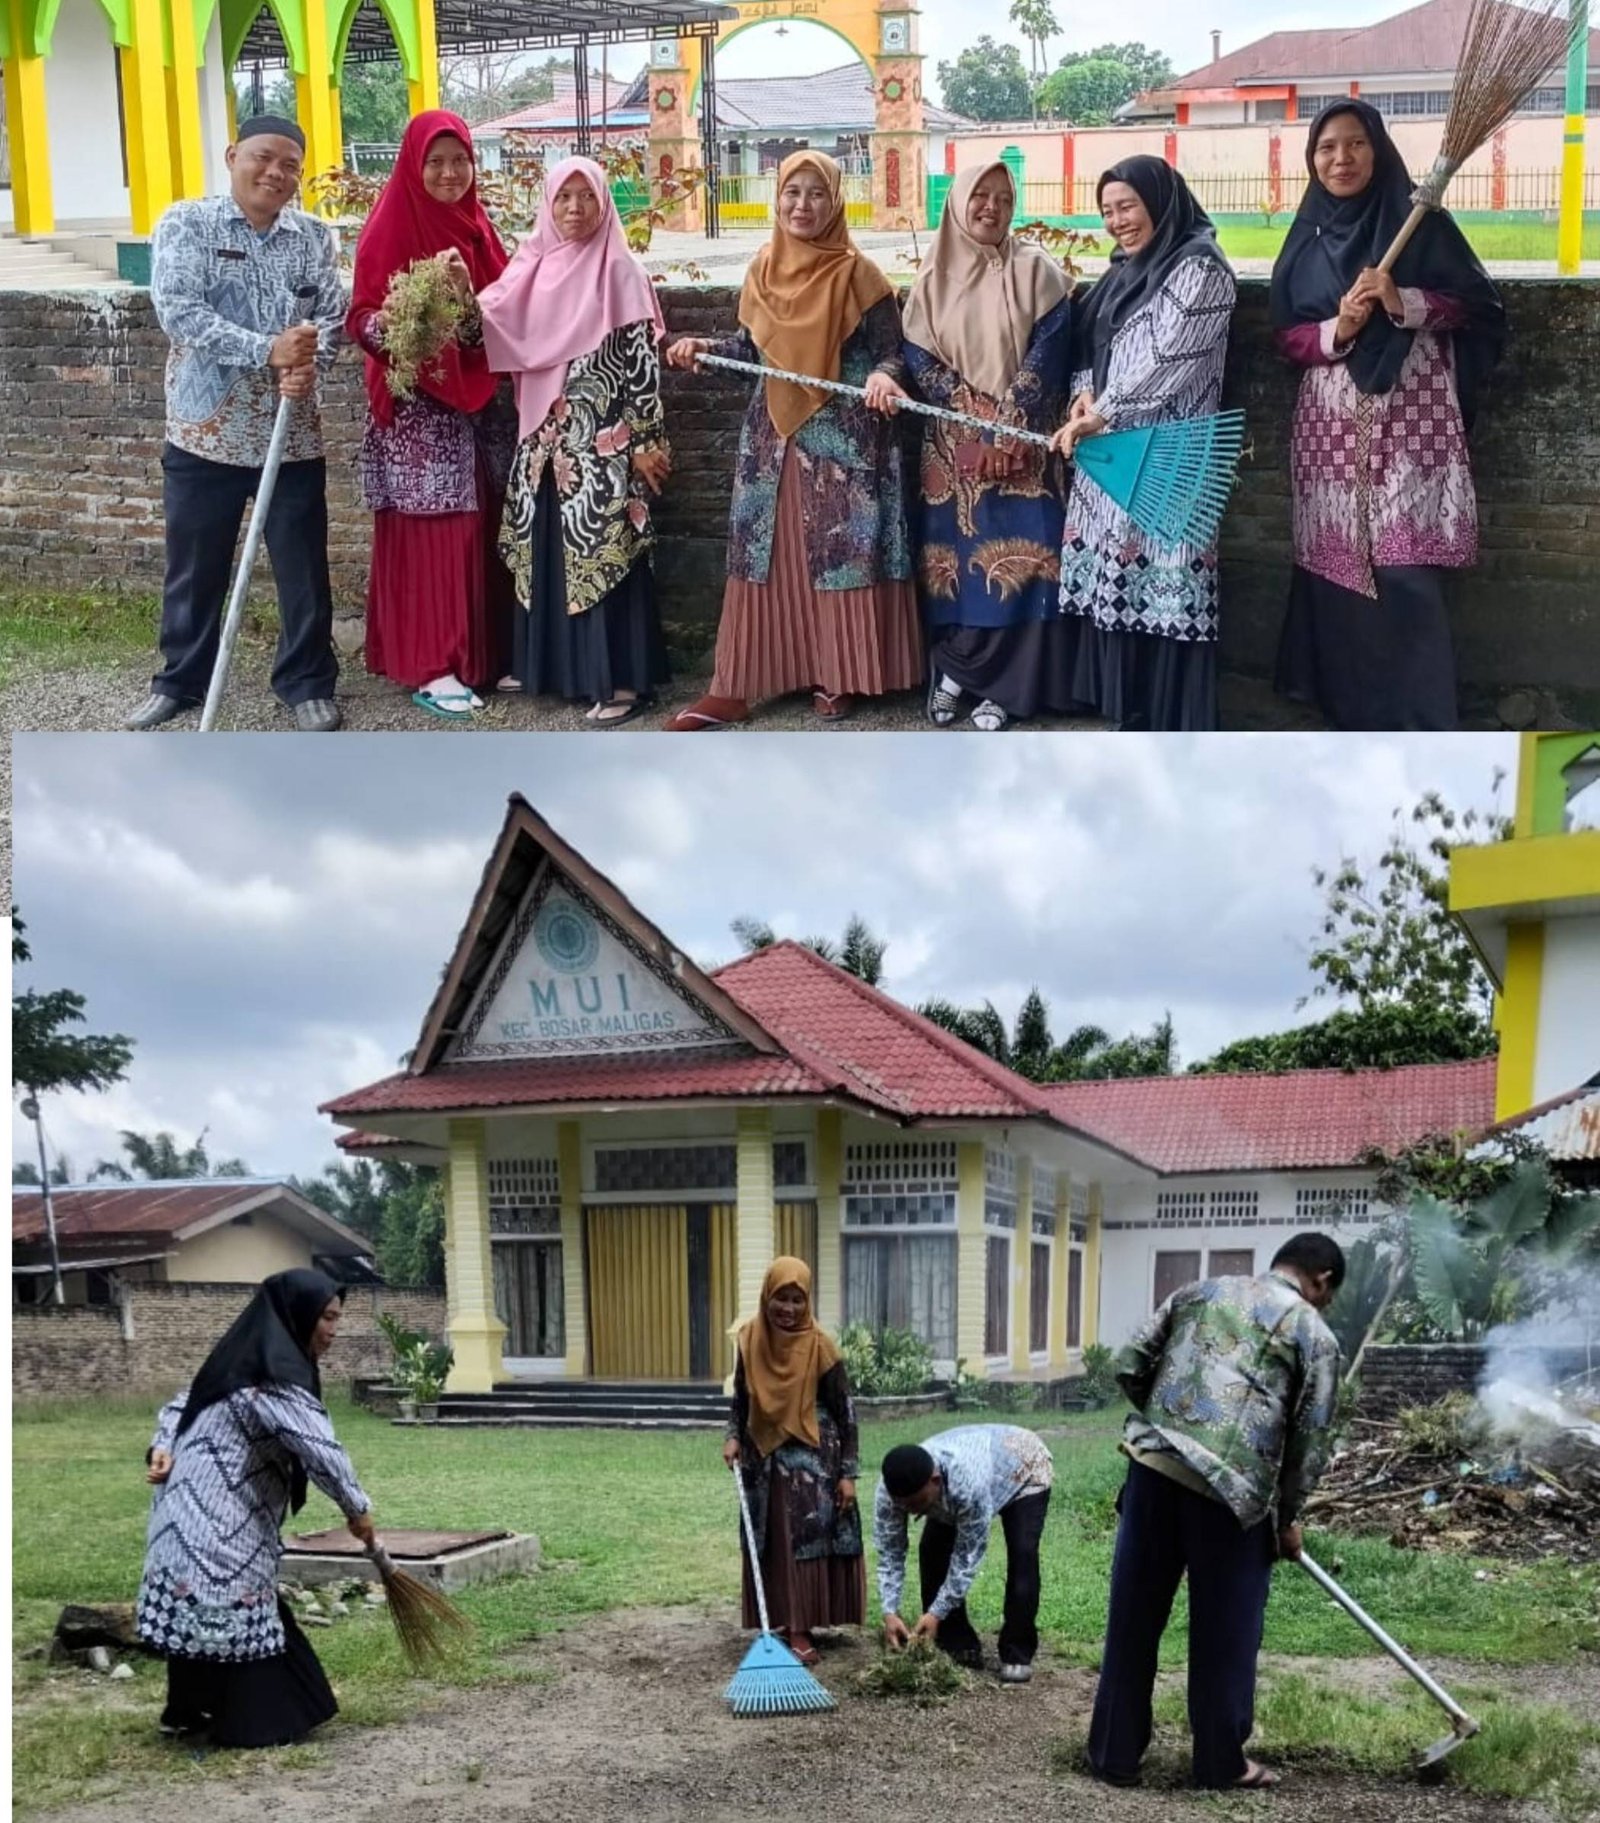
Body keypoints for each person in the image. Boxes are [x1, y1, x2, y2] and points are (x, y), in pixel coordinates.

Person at [662, 151, 921, 729]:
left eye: (817, 194)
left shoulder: (861, 275)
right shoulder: (762, 269)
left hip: (844, 446)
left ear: (836, 201)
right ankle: (734, 685)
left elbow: (891, 353)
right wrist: (703, 351)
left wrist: (885, 376)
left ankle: (839, 674)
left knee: (838, 558)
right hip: (772, 444)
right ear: (777, 199)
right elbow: (748, 353)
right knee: (765, 558)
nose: (803, 206)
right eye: (792, 193)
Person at [1270, 101, 1506, 731]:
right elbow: (1286, 336)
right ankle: (1347, 709)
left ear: (1378, 150)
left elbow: (1479, 309)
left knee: (1403, 565)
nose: (1340, 159)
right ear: (1311, 159)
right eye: (1326, 148)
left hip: (1411, 418)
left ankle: (1420, 717)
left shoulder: (1421, 225)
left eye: (1355, 145)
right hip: (1329, 425)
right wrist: (1336, 327)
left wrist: (1406, 302)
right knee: (1338, 560)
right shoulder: (1307, 238)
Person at [1087, 1233, 1344, 1792]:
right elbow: (1311, 1438)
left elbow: (1130, 1364)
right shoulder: (1313, 1333)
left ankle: (1113, 1753)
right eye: (1329, 1295)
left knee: (1133, 1618)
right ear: (1321, 1280)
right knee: (1225, 1634)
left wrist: (1172, 1424)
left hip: (1153, 1469)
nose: (1325, 1303)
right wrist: (1287, 1517)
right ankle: (1219, 1762)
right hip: (1231, 1496)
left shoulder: (1199, 1290)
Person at [127, 117, 346, 733]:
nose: (276, 173)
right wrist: (269, 350)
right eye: (263, 158)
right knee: (195, 565)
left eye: (290, 166)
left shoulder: (312, 236)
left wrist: (311, 359)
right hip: (204, 433)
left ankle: (306, 682)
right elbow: (179, 310)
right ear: (232, 157)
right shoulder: (185, 223)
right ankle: (180, 681)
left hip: (291, 432)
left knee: (303, 565)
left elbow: (331, 316)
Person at [440, 156, 671, 726]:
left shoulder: (619, 271)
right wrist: (461, 290)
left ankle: (619, 681)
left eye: (585, 197)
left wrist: (647, 440)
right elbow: (482, 331)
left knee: (603, 555)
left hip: (601, 446)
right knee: (542, 550)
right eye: (562, 198)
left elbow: (642, 368)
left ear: (603, 202)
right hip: (541, 443)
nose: (573, 209)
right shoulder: (532, 266)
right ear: (548, 203)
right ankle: (547, 668)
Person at [873, 162, 1074, 732]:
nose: (991, 206)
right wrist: (975, 419)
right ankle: (955, 669)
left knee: (1029, 559)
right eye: (980, 196)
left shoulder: (1039, 271)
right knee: (959, 570)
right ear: (958, 203)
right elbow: (919, 359)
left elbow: (1050, 350)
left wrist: (1007, 427)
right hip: (954, 456)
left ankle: (1005, 690)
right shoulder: (931, 282)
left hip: (1026, 449)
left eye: (1003, 197)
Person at [137, 1269, 375, 1747]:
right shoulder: (272, 1379)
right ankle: (250, 1725)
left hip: (184, 1520)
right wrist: (358, 1510)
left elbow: (179, 1406)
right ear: (299, 1315)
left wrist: (164, 1443)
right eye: (326, 1317)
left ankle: (188, 1711)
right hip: (219, 1521)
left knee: (208, 1605)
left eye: (337, 1319)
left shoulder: (243, 1362)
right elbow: (319, 1449)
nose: (333, 1330)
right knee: (235, 1611)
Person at [1051, 157, 1237, 732]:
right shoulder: (1122, 273)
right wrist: (1084, 399)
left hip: (1168, 450)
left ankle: (1165, 712)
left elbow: (1170, 360)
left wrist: (1100, 413)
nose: (1117, 221)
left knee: (1164, 572)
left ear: (1161, 198)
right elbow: (1090, 343)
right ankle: (1119, 703)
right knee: (1115, 570)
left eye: (1127, 205)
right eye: (1107, 211)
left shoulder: (1201, 270)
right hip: (1109, 451)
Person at [346, 109, 517, 722]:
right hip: (420, 410)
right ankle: (434, 663)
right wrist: (395, 324)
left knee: (484, 526)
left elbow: (504, 310)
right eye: (435, 162)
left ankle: (484, 656)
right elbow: (361, 317)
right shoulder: (391, 224)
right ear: (413, 166)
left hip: (481, 407)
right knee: (436, 532)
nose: (449, 174)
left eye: (460, 161)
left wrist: (469, 296)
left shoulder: (478, 229)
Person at [722, 1258, 864, 1664]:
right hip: (763, 1463)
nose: (788, 1309)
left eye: (797, 1299)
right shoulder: (750, 1340)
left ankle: (801, 1628)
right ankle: (780, 1623)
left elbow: (847, 1415)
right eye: (780, 1299)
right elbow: (741, 1401)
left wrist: (848, 1475)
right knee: (772, 1542)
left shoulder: (821, 1347)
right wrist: (732, 1436)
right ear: (766, 1297)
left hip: (813, 1466)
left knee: (804, 1543)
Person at [874, 1423, 1053, 1683]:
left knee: (1022, 1553)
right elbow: (890, 1552)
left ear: (934, 1481)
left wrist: (936, 1611)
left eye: (915, 1505)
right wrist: (889, 1611)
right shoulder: (890, 1493)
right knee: (932, 1551)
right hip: (973, 1467)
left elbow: (966, 1558)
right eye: (903, 1506)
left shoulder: (967, 1486)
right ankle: (956, 1642)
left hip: (1023, 1465)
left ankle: (1017, 1651)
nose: (910, 1512)